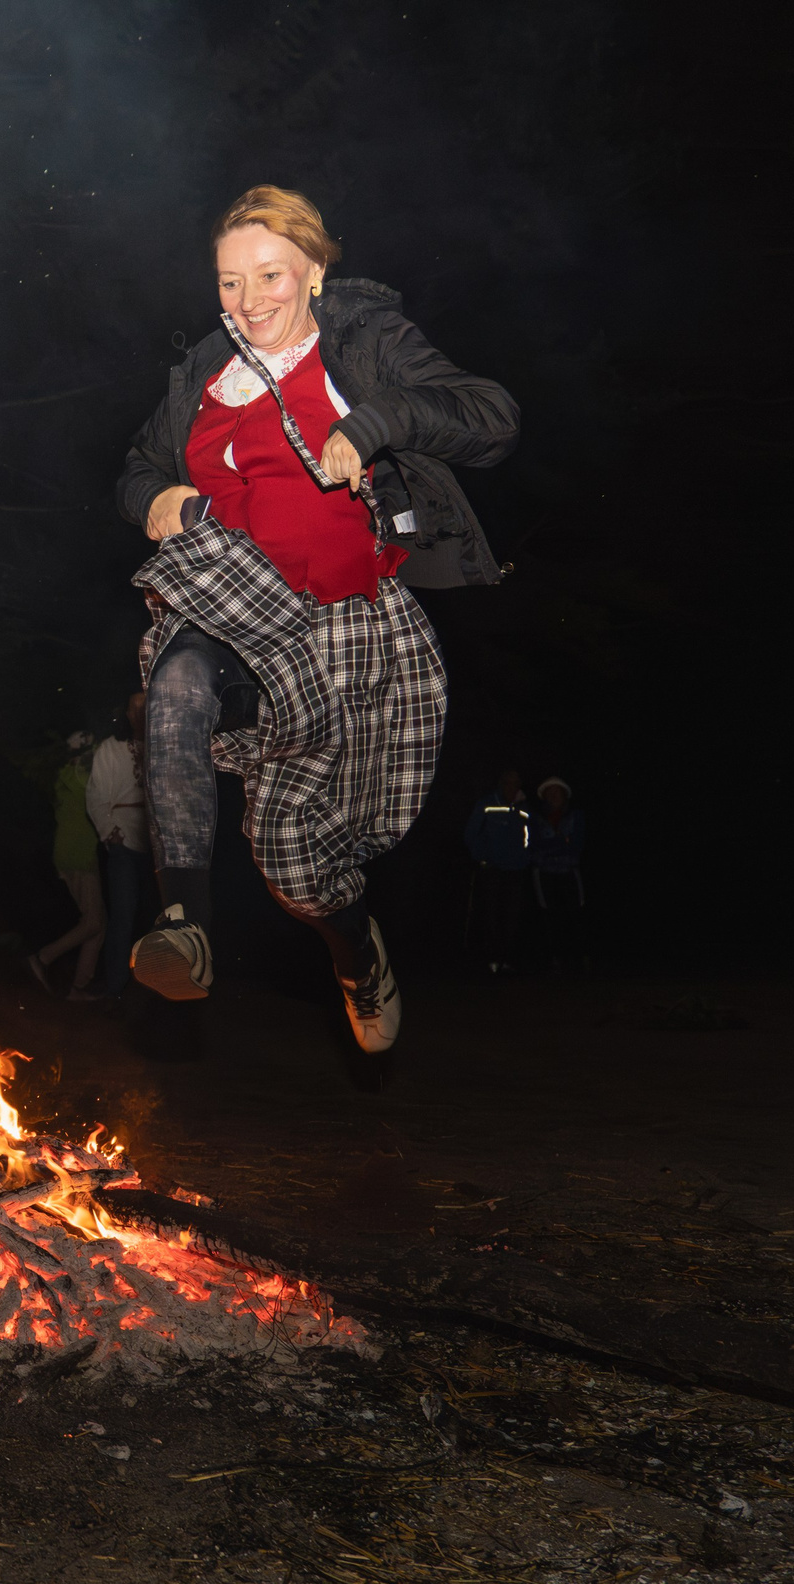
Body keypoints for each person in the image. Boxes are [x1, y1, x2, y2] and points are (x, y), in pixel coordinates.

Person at [117, 185, 519, 1053]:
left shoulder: (362, 343)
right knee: (176, 679)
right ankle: (183, 919)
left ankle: (354, 952)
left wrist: (376, 420)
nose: (249, 300)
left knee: (295, 862)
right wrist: (156, 498)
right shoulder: (200, 376)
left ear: (316, 272)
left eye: (270, 276)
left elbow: (493, 418)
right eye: (230, 282)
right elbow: (137, 467)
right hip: (226, 605)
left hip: (338, 626)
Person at [84, 689, 152, 999]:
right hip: (124, 840)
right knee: (123, 919)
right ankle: (116, 989)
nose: (139, 714)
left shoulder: (159, 748)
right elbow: (96, 795)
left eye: (145, 707)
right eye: (134, 708)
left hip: (156, 843)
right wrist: (111, 833)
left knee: (156, 920)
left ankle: (153, 991)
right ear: (126, 713)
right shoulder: (110, 749)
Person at [29, 733, 106, 999]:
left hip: (68, 853)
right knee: (94, 922)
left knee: (96, 922)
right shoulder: (75, 776)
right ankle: (43, 957)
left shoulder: (63, 774)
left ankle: (79, 987)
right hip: (79, 855)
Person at [463, 769, 536, 974]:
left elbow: (531, 837)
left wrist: (526, 857)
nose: (511, 787)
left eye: (515, 782)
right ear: (501, 783)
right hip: (492, 869)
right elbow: (471, 834)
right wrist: (483, 857)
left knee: (512, 915)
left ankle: (509, 960)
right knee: (491, 914)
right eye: (507, 782)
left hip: (516, 870)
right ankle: (492, 960)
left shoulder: (524, 807)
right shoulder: (487, 804)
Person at [531, 776, 587, 972]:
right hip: (544, 874)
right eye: (550, 793)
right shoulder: (535, 817)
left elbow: (578, 844)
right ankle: (555, 958)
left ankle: (579, 958)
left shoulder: (576, 815)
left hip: (569, 872)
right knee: (549, 916)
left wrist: (557, 845)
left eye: (558, 792)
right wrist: (562, 842)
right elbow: (534, 845)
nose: (554, 796)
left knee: (575, 914)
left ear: (565, 795)